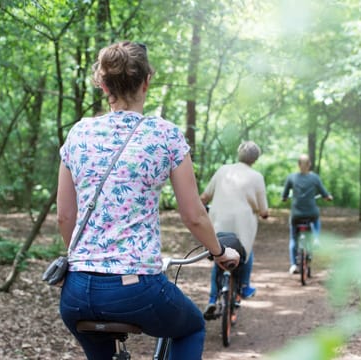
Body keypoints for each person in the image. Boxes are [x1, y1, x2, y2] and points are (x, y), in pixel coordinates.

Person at [56, 41, 239, 360]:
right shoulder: (165, 135)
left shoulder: (79, 134)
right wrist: (219, 252)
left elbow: (64, 218)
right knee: (192, 327)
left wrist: (85, 263)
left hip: (76, 293)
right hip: (135, 287)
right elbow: (194, 215)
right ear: (146, 81)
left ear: (102, 84)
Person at [200, 141, 269, 317]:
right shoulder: (256, 177)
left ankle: (212, 300)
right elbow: (264, 211)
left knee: (219, 255)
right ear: (255, 159)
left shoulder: (223, 170)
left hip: (218, 225)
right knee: (246, 252)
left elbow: (205, 196)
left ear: (239, 154)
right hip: (242, 228)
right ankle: (244, 287)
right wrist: (264, 213)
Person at [281, 154, 333, 274]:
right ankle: (316, 238)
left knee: (293, 239)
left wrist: (284, 198)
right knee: (316, 220)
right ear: (310, 164)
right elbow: (324, 193)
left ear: (298, 164)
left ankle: (293, 264)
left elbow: (284, 195)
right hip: (311, 213)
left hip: (296, 214)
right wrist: (328, 197)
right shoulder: (315, 178)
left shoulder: (291, 178)